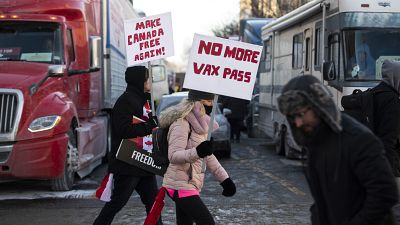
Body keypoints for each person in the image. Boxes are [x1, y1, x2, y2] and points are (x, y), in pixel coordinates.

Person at [277, 75, 398, 225]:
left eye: (301, 114)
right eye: (293, 117)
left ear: (318, 105)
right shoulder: (315, 142)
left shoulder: (357, 139)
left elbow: (385, 193)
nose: (298, 123)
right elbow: (321, 201)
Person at [93, 66, 161, 225]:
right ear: (139, 80)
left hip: (144, 161)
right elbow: (123, 130)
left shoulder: (143, 99)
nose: (149, 80)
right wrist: (149, 125)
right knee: (117, 203)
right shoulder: (125, 101)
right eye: (147, 77)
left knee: (154, 203)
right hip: (128, 163)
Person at [158, 90, 236, 225]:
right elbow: (174, 156)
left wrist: (225, 180)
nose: (212, 105)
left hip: (188, 184)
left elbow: (208, 157)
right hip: (179, 184)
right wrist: (198, 152)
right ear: (198, 102)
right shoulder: (181, 124)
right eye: (209, 101)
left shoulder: (201, 125)